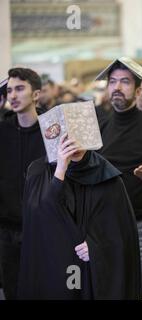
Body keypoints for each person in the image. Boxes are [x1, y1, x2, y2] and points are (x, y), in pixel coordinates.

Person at [18, 135, 141, 299]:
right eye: (65, 137)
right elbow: (41, 221)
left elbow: (120, 233)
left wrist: (97, 246)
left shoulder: (106, 175)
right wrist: (60, 170)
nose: (72, 143)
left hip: (90, 274)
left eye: (77, 134)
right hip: (54, 269)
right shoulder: (39, 172)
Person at [96, 57, 142, 300]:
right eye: (113, 82)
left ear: (138, 91)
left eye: (125, 82)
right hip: (109, 227)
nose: (117, 87)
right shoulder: (98, 127)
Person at [0, 68, 46, 299]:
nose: (13, 96)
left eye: (20, 89)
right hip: (7, 231)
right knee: (13, 291)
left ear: (36, 94)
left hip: (44, 230)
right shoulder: (3, 131)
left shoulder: (52, 132)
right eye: (9, 90)